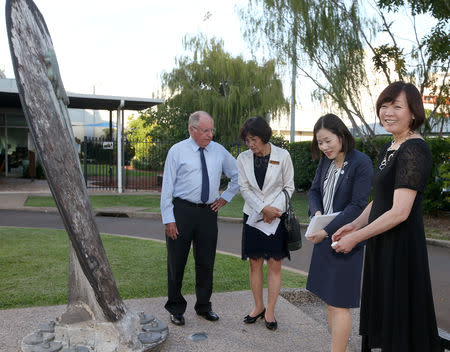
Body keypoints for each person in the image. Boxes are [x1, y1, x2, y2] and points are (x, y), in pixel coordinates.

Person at [332, 82, 441, 351]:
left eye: (397, 106)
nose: (388, 112)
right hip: (381, 241)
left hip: (400, 246)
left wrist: (357, 238)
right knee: (384, 312)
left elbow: (400, 211)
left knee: (400, 318)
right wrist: (354, 224)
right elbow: (381, 199)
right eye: (384, 106)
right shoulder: (391, 146)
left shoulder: (415, 149)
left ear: (413, 112)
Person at [160, 111, 239, 326]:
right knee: (176, 262)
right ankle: (175, 308)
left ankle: (204, 306)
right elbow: (167, 187)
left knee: (206, 262)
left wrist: (226, 197)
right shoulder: (177, 151)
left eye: (212, 130)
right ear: (192, 130)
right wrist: (169, 219)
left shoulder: (219, 151)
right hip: (182, 212)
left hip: (208, 214)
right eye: (206, 130)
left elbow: (238, 174)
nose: (210, 135)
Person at [306, 113, 373, 352]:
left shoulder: (361, 162)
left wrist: (325, 230)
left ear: (341, 135)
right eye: (320, 143)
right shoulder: (325, 161)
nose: (324, 147)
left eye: (328, 141)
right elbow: (314, 192)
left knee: (339, 303)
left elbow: (357, 206)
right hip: (323, 237)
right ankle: (340, 349)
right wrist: (316, 214)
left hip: (345, 240)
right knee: (328, 298)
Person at [237, 116, 294, 331]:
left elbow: (289, 187)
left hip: (276, 217)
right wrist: (262, 209)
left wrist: (273, 210)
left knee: (274, 264)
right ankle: (258, 306)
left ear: (264, 136)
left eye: (253, 139)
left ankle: (270, 309)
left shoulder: (283, 155)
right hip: (253, 216)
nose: (250, 144)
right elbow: (244, 188)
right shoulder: (243, 158)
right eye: (247, 140)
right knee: (254, 262)